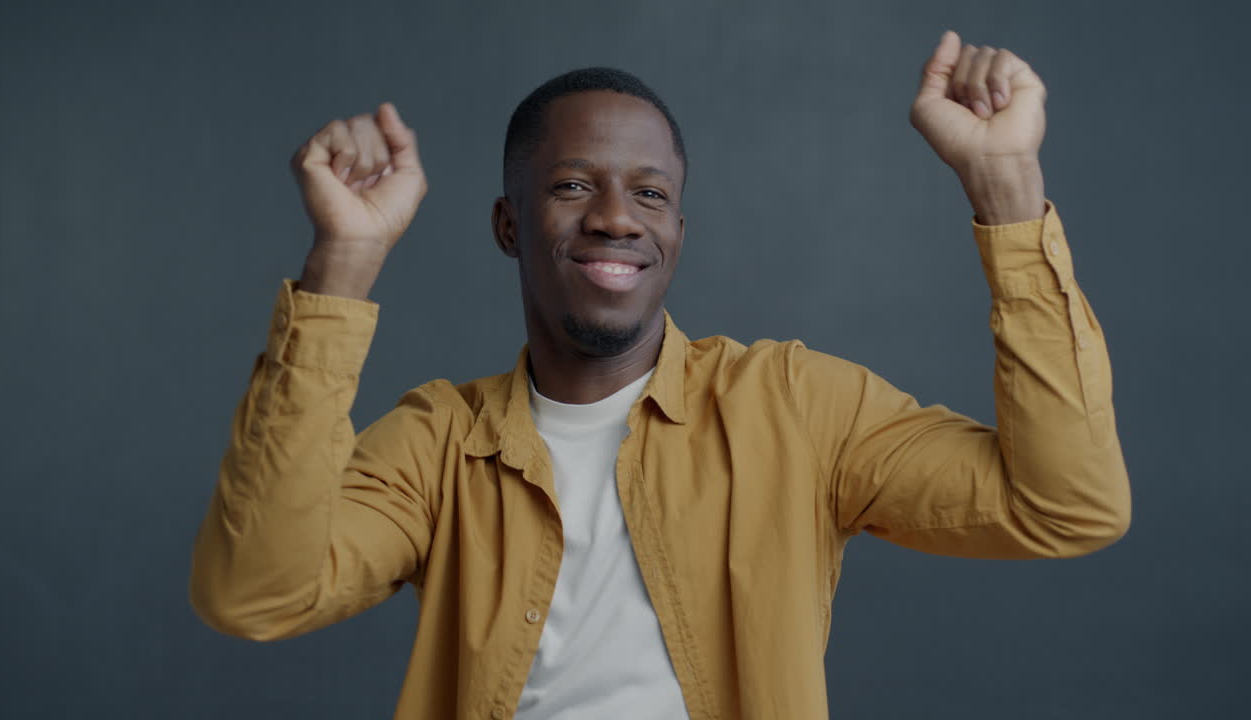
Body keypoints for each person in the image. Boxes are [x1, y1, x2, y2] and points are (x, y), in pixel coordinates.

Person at [189, 30, 1130, 719]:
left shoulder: (795, 406)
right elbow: (252, 593)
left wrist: (1007, 191)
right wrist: (341, 265)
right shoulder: (439, 443)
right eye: (571, 185)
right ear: (508, 225)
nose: (616, 217)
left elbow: (1065, 506)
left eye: (651, 194)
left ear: (677, 232)